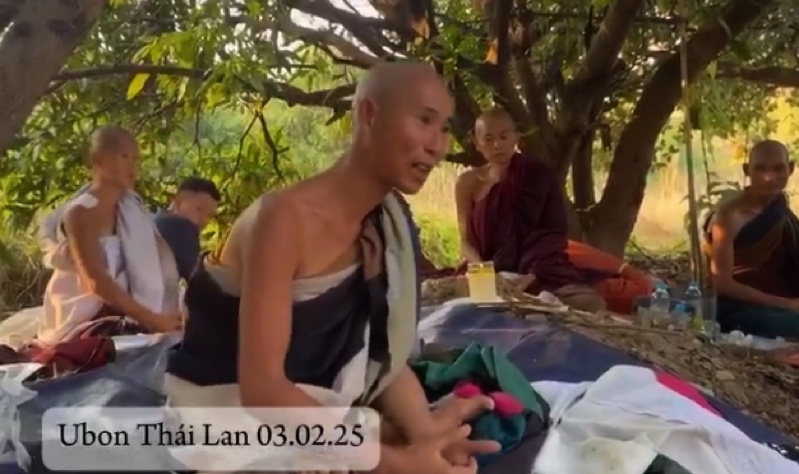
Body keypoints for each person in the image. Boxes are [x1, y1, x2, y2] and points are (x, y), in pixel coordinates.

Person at [165, 62, 500, 474]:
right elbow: (263, 390)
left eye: (445, 128)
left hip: (315, 414)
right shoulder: (284, 220)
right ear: (370, 114)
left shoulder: (384, 224)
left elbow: (382, 355)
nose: (438, 146)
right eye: (425, 120)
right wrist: (399, 463)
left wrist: (426, 437)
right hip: (229, 421)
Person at [451, 107, 652, 313]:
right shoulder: (467, 183)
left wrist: (532, 276)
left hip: (540, 271)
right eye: (488, 139)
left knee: (591, 304)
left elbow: (551, 235)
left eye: (504, 137)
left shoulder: (538, 176)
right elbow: (466, 240)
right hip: (486, 273)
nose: (497, 145)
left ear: (516, 137)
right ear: (477, 143)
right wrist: (484, 272)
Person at [36, 126, 183, 343]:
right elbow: (95, 282)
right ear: (98, 160)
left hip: (136, 309)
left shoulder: (132, 209)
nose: (132, 166)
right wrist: (153, 320)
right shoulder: (82, 212)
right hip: (89, 311)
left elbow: (163, 264)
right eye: (124, 156)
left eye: (136, 159)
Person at [705, 139, 799, 339]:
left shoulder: (781, 214)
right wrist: (785, 304)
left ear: (790, 169)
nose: (769, 177)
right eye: (760, 169)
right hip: (737, 307)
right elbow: (721, 282)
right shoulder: (729, 216)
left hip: (780, 300)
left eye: (778, 169)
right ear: (747, 170)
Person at [154, 177, 221, 280]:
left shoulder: (150, 220)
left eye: (209, 216)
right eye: (199, 209)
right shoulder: (185, 229)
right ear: (179, 202)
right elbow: (196, 282)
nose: (204, 220)